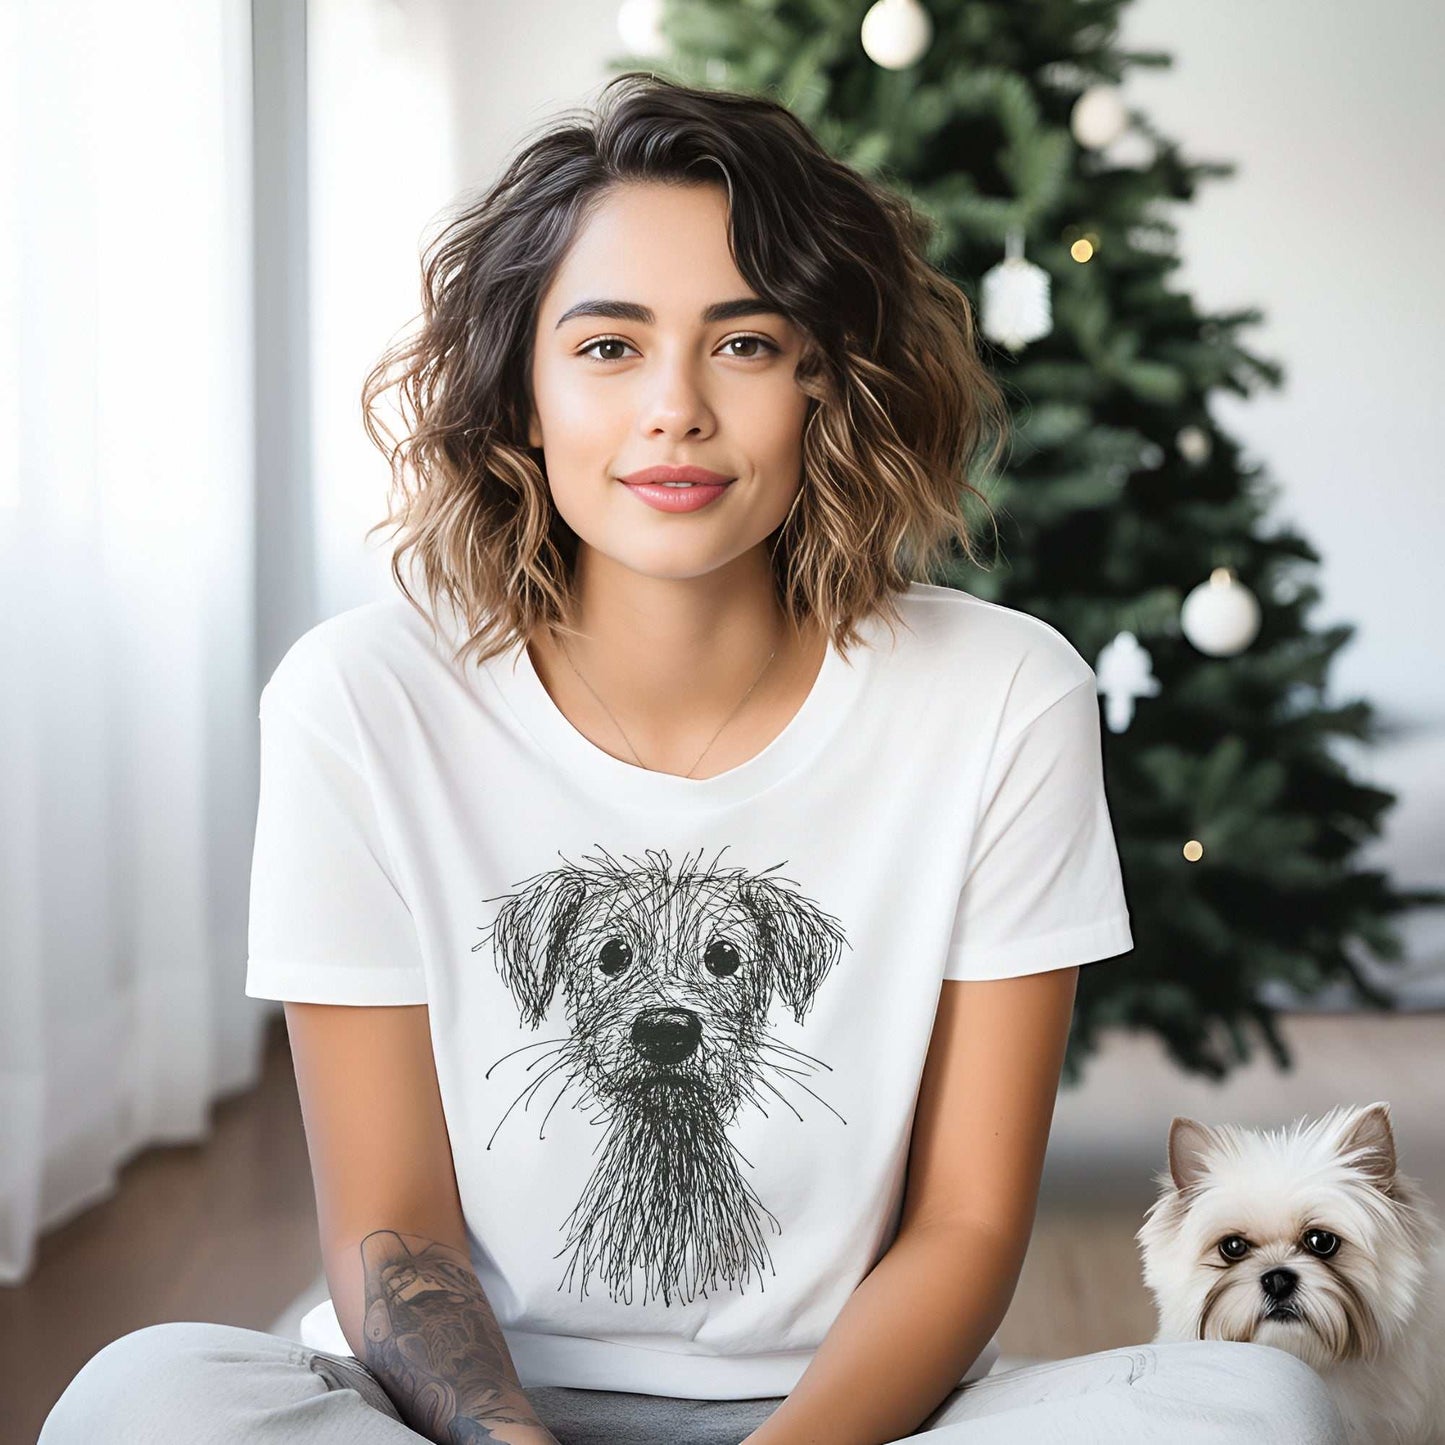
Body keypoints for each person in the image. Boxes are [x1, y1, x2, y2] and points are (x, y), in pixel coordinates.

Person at [39, 72, 1349, 1445]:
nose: (674, 408)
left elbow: (963, 1227)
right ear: (521, 394)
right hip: (443, 1421)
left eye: (742, 344)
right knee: (140, 1400)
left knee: (1252, 1410)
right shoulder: (360, 700)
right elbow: (392, 1229)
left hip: (856, 1418)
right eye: (607, 346)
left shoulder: (1001, 695)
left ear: (824, 382)